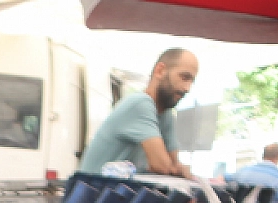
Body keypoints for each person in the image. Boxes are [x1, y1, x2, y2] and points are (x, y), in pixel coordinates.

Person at [79, 48, 198, 177]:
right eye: (184, 78)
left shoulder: (166, 115)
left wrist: (176, 168)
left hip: (116, 193)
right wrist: (176, 169)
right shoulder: (140, 104)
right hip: (90, 194)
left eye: (192, 81)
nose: (187, 88)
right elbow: (163, 166)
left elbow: (174, 165)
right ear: (160, 71)